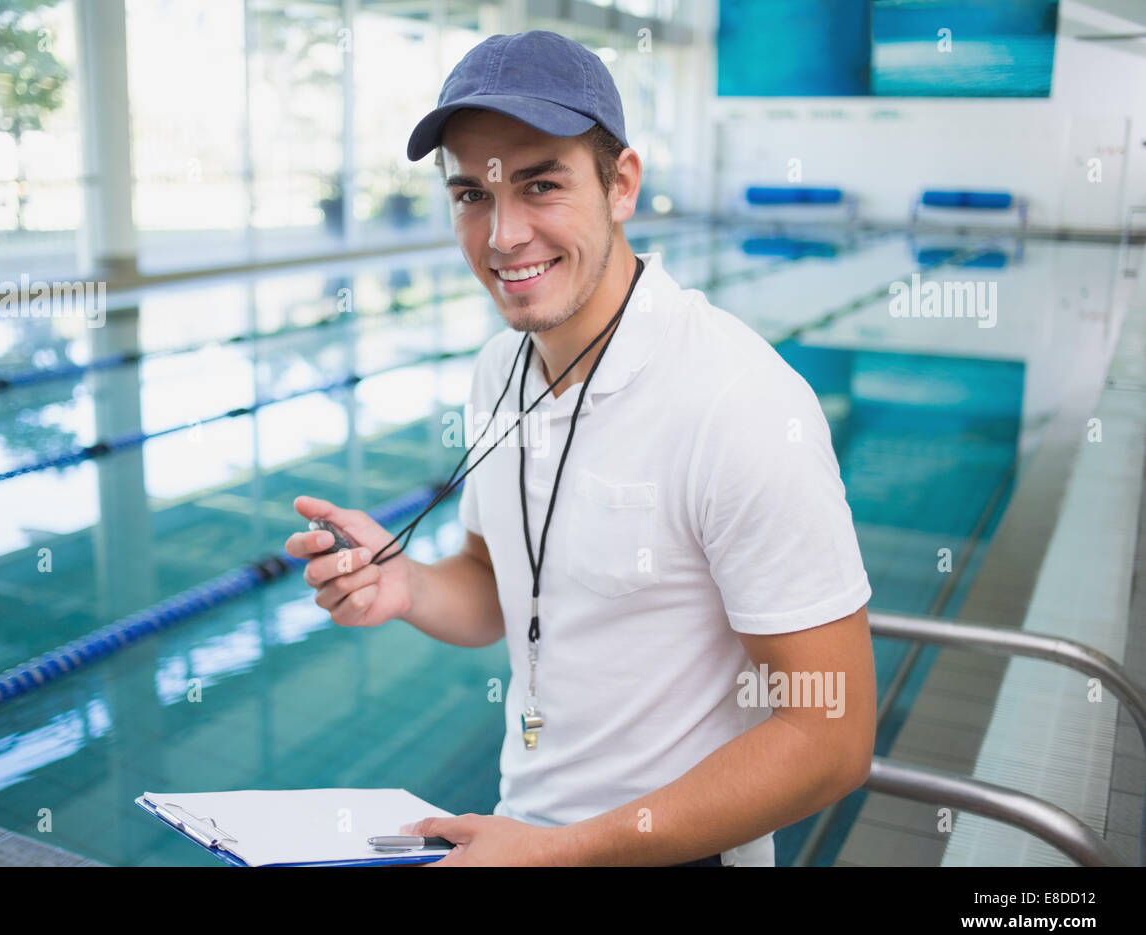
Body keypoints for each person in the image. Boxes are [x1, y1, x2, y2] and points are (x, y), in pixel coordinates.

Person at [287, 29, 875, 866]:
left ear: (621, 184)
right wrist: (404, 583)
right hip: (518, 832)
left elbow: (829, 738)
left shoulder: (739, 401)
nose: (503, 236)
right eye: (472, 196)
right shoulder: (500, 370)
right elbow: (497, 589)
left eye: (541, 185)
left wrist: (560, 852)